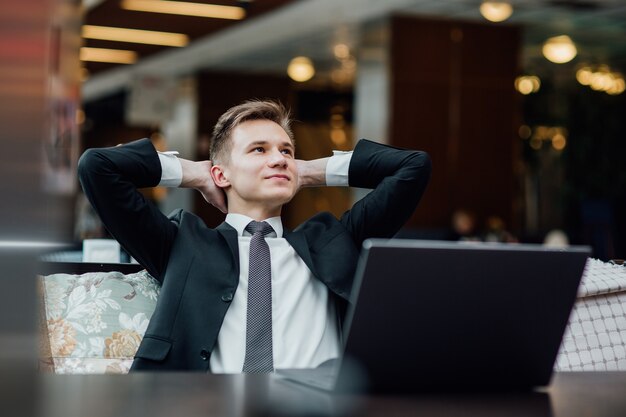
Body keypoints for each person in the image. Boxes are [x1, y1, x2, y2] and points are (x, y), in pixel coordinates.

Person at [78, 100, 431, 372]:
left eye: (286, 150)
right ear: (222, 173)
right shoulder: (184, 243)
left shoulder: (332, 240)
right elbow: (97, 167)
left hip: (315, 406)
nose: (279, 159)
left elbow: (413, 167)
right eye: (259, 149)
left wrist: (308, 171)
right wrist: (196, 174)